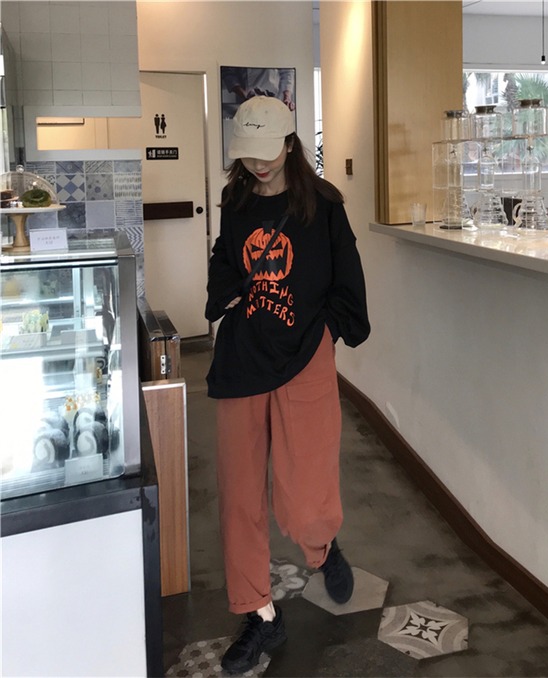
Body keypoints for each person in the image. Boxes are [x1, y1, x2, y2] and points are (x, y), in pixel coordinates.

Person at [205, 96, 370, 674]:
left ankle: (321, 546)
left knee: (304, 490)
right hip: (243, 360)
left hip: (304, 358)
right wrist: (226, 293)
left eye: (267, 152)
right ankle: (260, 614)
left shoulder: (322, 206)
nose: (258, 164)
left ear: (290, 144)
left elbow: (348, 279)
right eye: (247, 154)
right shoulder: (236, 202)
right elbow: (224, 261)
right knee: (240, 499)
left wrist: (328, 332)